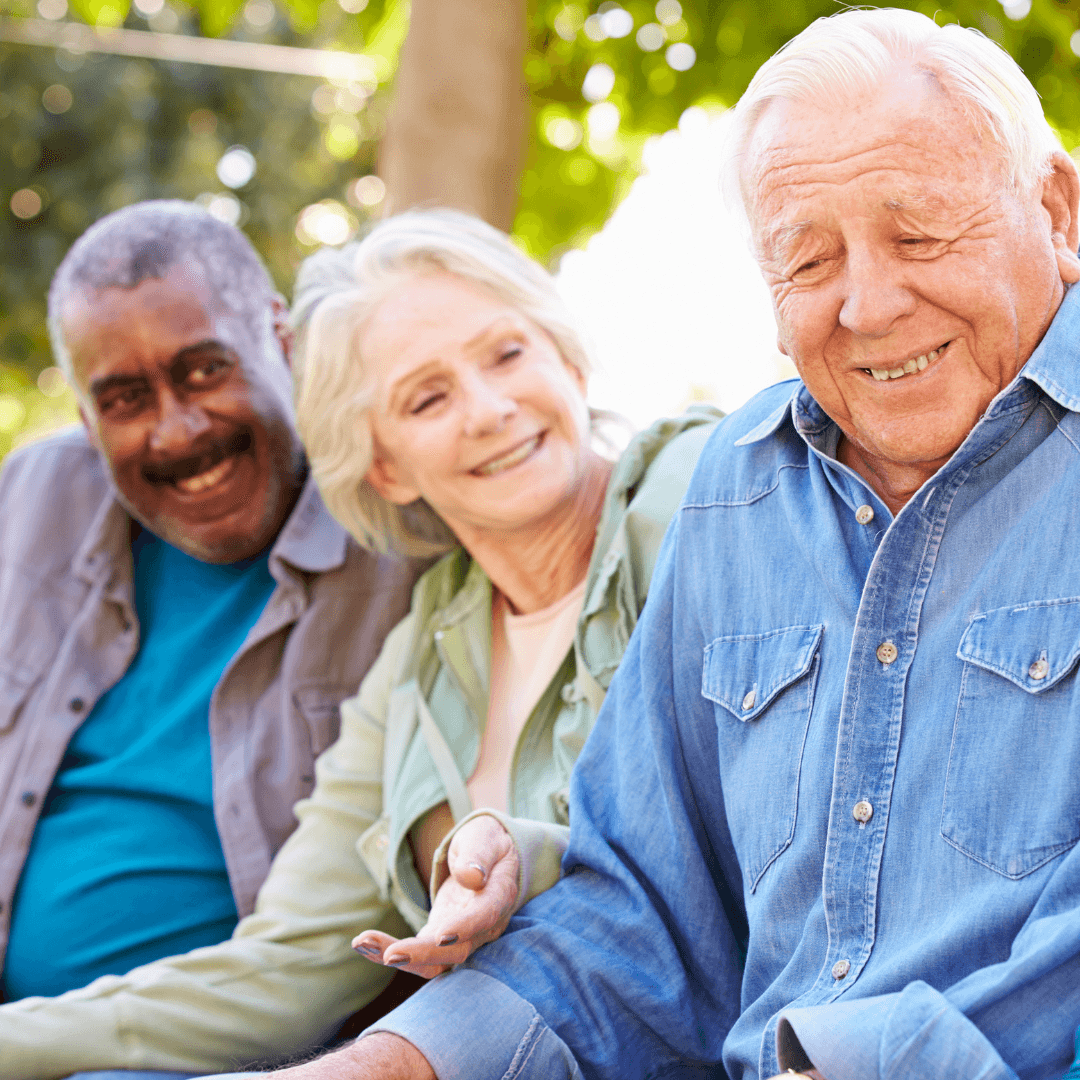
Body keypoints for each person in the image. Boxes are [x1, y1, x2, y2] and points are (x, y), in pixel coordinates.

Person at [242, 9, 1080, 1079]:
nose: (867, 306)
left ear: (1056, 208)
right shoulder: (740, 489)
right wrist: (382, 1064)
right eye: (808, 259)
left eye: (919, 235)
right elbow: (639, 919)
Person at [0, 208, 721, 1079]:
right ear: (384, 462)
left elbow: (697, 863)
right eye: (428, 398)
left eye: (507, 354)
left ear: (564, 355)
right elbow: (290, 964)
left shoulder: (699, 497)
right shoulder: (422, 657)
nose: (491, 411)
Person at [0, 201, 424, 1080]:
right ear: (84, 415)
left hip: (232, 1062)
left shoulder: (405, 534)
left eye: (203, 370)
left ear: (284, 338)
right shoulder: (31, 502)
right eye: (123, 399)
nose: (178, 430)